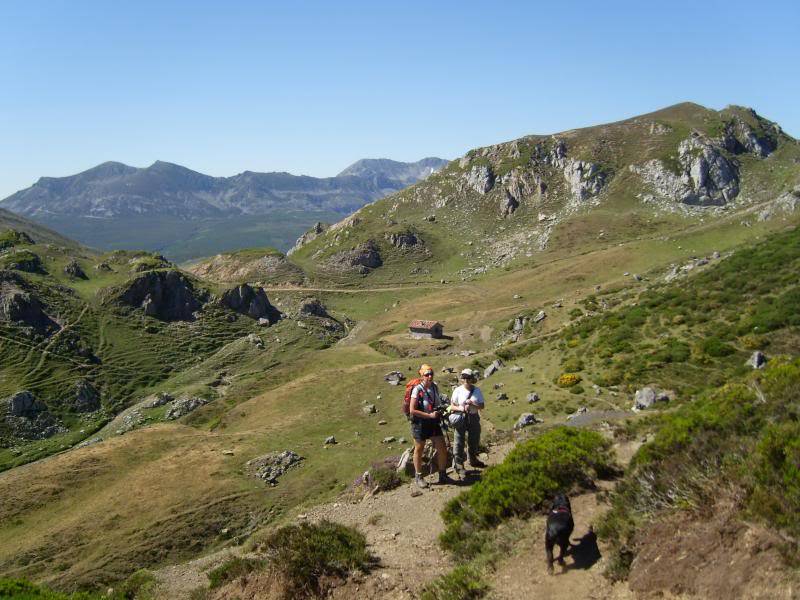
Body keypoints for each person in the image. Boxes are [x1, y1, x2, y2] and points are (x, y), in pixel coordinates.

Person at [409, 364, 453, 488]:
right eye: (426, 374)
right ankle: (418, 476)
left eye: (431, 374)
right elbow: (412, 410)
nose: (429, 376)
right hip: (420, 423)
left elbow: (437, 403)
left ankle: (442, 474)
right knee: (419, 449)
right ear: (421, 376)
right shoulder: (417, 389)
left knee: (442, 447)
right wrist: (429, 416)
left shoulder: (434, 387)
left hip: (433, 422)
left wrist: (440, 412)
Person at [449, 368, 486, 474]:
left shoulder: (477, 390)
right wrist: (461, 408)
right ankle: (458, 464)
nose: (466, 379)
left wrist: (472, 404)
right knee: (459, 441)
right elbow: (451, 406)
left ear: (472, 379)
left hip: (473, 417)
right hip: (461, 417)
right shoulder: (457, 390)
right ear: (461, 378)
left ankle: (473, 460)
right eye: (464, 377)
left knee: (474, 440)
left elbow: (482, 406)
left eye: (468, 377)